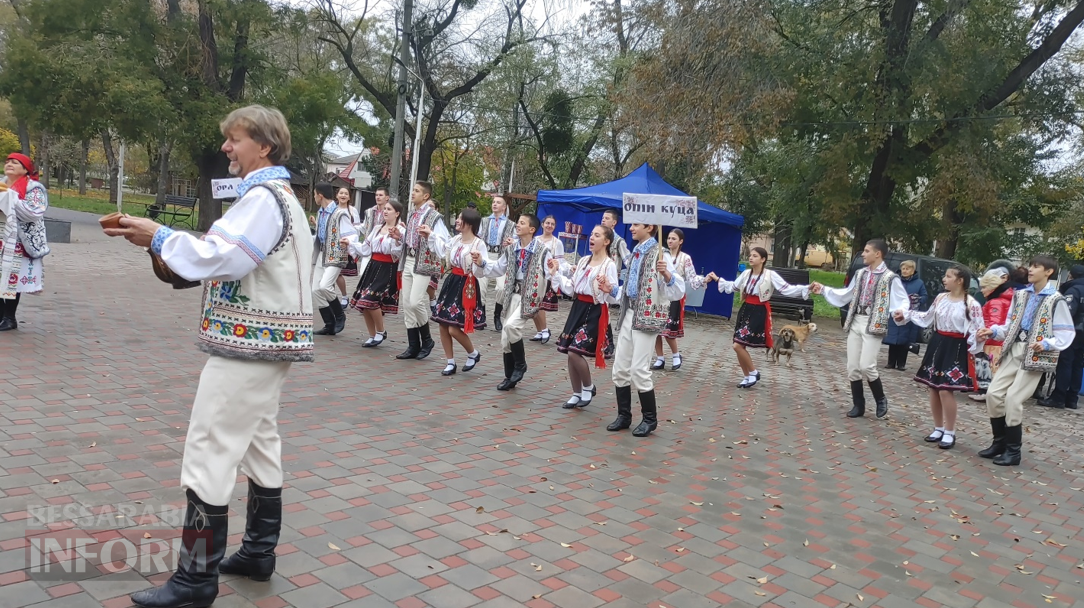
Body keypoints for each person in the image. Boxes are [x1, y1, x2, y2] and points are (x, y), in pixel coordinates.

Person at [105, 105, 314, 608]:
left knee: (208, 451)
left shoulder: (264, 197)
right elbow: (231, 255)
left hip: (248, 347)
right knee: (260, 444)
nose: (226, 147)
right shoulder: (281, 197)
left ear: (263, 145)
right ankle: (258, 554)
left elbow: (226, 256)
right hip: (268, 345)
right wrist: (165, 245)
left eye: (234, 139)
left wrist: (158, 235)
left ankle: (196, 580)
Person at [977, 255, 1074, 466]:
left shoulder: (1056, 299)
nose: (1031, 269)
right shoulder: (1020, 295)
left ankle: (1013, 451)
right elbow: (1011, 324)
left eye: (1036, 266)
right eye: (1030, 265)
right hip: (1014, 349)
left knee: (1013, 398)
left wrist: (1047, 343)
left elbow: (1066, 332)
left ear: (1048, 272)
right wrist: (992, 330)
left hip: (1035, 354)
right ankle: (999, 443)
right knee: (993, 394)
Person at [598, 224, 685, 437]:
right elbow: (631, 288)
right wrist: (613, 289)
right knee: (620, 368)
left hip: (647, 316)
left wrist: (667, 275)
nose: (632, 227)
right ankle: (624, 415)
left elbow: (677, 290)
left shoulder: (660, 253)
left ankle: (650, 418)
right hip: (630, 313)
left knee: (639, 369)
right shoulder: (636, 252)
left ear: (650, 227)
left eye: (636, 224)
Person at [812, 239, 909, 419]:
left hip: (874, 323)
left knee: (867, 366)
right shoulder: (860, 273)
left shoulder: (890, 278)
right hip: (856, 319)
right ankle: (859, 404)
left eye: (866, 251)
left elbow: (902, 300)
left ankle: (880, 399)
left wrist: (900, 312)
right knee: (852, 367)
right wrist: (824, 289)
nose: (863, 254)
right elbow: (847, 293)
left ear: (877, 254)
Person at [893, 266, 984, 449]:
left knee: (945, 389)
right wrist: (907, 315)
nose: (944, 279)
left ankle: (950, 432)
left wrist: (978, 339)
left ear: (960, 281)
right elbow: (927, 317)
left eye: (948, 276)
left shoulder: (971, 304)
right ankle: (938, 428)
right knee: (934, 387)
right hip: (938, 343)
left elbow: (977, 328)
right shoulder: (941, 298)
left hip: (956, 347)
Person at [705, 247, 811, 388]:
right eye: (750, 255)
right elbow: (734, 287)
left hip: (759, 310)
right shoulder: (746, 273)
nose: (751, 258)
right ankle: (747, 376)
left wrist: (807, 288)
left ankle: (753, 372)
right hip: (746, 309)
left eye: (755, 256)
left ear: (763, 259)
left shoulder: (770, 275)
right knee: (738, 344)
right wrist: (717, 279)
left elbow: (786, 289)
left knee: (737, 345)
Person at [474, 213, 553, 390]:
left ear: (531, 229)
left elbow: (552, 271)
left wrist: (561, 274)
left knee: (511, 327)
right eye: (518, 222)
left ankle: (520, 364)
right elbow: (498, 268)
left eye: (522, 223)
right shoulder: (511, 249)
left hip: (529, 297)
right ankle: (509, 377)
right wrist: (482, 262)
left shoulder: (542, 251)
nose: (517, 225)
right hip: (512, 295)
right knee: (505, 339)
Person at [549, 225, 618, 408]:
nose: (592, 238)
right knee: (570, 352)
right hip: (578, 307)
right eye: (592, 235)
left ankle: (588, 387)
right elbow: (571, 288)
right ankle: (576, 392)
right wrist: (555, 273)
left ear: (607, 241)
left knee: (575, 350)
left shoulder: (608, 265)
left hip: (595, 310)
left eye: (597, 235)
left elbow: (613, 294)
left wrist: (607, 288)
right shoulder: (583, 261)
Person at [396, 181, 449, 360]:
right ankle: (413, 345)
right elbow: (411, 237)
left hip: (424, 262)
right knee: (406, 303)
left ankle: (427, 340)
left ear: (425, 196)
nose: (413, 193)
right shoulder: (412, 214)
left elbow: (444, 242)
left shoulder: (434, 217)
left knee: (415, 301)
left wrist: (431, 235)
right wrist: (400, 236)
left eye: (417, 191)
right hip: (409, 258)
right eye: (413, 190)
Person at [430, 207, 487, 375]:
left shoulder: (479, 244)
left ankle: (473, 353)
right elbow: (441, 249)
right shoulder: (455, 240)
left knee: (454, 327)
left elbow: (483, 269)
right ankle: (450, 361)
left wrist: (479, 262)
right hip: (452, 282)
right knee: (443, 323)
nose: (457, 221)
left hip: (467, 284)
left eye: (460, 218)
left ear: (469, 223)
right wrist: (430, 235)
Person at [344, 199, 404, 347]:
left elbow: (398, 252)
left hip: (388, 268)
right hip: (373, 266)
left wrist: (396, 239)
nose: (385, 211)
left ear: (397, 213)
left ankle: (381, 331)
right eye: (385, 209)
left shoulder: (401, 230)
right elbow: (365, 248)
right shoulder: (377, 228)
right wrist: (350, 243)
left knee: (371, 299)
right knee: (363, 303)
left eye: (389, 209)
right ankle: (372, 335)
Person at [0, 153, 49, 331]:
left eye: (15, 162)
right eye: (7, 162)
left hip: (18, 240)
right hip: (1, 237)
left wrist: (11, 197)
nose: (9, 165)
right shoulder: (2, 183)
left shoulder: (34, 188)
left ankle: (9, 317)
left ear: (25, 169)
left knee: (12, 279)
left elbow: (34, 213)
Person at [652, 228, 706, 371]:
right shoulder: (661, 254)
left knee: (669, 329)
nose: (670, 241)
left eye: (674, 238)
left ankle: (676, 355)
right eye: (669, 238)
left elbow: (692, 277)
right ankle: (660, 357)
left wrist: (702, 280)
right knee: (656, 327)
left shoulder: (684, 258)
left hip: (674, 296)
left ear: (681, 241)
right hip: (659, 294)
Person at [311, 182, 355, 335]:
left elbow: (352, 233)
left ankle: (339, 315)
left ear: (320, 195)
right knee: (315, 289)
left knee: (325, 286)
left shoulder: (340, 213)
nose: (314, 197)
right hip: (322, 253)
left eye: (315, 194)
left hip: (336, 254)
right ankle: (329, 324)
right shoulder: (320, 212)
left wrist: (347, 241)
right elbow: (320, 234)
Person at [1038, 264, 1084, 409]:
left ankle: (1059, 397)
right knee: (1077, 364)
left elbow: (1067, 313)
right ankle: (1072, 399)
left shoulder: (1073, 289)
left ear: (1071, 275)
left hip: (1072, 331)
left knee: (1065, 363)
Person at [969, 267, 1014, 402]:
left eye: (984, 287)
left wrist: (985, 332)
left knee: (986, 365)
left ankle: (985, 390)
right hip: (997, 340)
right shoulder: (1004, 300)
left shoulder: (995, 302)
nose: (981, 290)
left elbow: (994, 321)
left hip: (992, 341)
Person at [883, 259, 928, 371]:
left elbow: (924, 296)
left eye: (907, 269)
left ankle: (901, 363)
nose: (905, 271)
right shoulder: (896, 281)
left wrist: (917, 299)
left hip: (908, 315)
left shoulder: (919, 283)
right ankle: (891, 362)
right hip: (895, 312)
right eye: (903, 269)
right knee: (893, 339)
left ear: (913, 270)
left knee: (905, 340)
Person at [479, 195, 515, 331]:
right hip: (486, 254)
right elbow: (477, 236)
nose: (494, 204)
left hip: (501, 257)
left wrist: (512, 242)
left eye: (498, 202)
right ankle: (481, 315)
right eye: (493, 202)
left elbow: (516, 240)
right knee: (481, 287)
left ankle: (497, 314)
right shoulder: (484, 221)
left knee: (501, 288)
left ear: (504, 207)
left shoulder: (511, 224)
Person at [600, 209, 632, 357]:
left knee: (602, 310)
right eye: (603, 218)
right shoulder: (599, 237)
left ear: (614, 222)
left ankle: (609, 343)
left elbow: (629, 261)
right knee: (597, 309)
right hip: (598, 276)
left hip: (609, 279)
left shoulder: (619, 241)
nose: (603, 220)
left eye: (607, 218)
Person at [530, 215, 565, 344]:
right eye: (547, 223)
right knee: (533, 303)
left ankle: (544, 330)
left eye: (552, 224)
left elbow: (560, 261)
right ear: (543, 224)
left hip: (547, 276)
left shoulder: (557, 243)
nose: (549, 226)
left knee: (540, 304)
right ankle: (540, 331)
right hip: (533, 274)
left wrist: (559, 269)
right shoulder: (535, 240)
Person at [335, 187, 362, 307]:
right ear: (337, 195)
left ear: (349, 197)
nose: (343, 195)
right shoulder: (332, 209)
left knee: (337, 272)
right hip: (334, 245)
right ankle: (339, 297)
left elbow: (356, 229)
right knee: (334, 273)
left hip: (346, 245)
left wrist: (349, 242)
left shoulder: (352, 211)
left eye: (346, 193)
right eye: (341, 193)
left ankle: (344, 297)